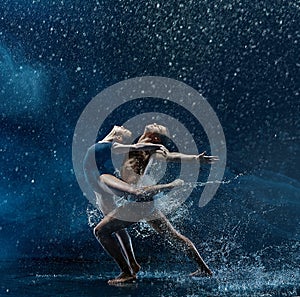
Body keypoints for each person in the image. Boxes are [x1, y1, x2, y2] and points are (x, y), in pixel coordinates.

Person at [94, 123, 219, 284]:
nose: (154, 123)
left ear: (155, 137)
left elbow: (169, 156)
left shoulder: (150, 149)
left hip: (139, 203)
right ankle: (204, 269)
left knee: (101, 231)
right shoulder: (137, 147)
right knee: (175, 237)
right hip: (146, 203)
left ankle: (127, 273)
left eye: (158, 127)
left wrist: (194, 158)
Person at [83, 125, 184, 283]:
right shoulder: (105, 144)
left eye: (122, 129)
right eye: (122, 128)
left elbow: (136, 146)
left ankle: (127, 272)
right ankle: (132, 265)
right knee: (115, 228)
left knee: (135, 193)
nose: (121, 126)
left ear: (118, 137)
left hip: (103, 179)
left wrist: (157, 146)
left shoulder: (111, 145)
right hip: (99, 191)